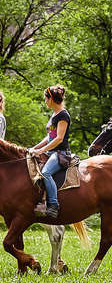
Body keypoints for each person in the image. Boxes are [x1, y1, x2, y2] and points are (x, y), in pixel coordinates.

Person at [29, 85, 71, 219]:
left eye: (46, 99)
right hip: (50, 152)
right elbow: (49, 137)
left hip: (60, 153)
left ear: (51, 98)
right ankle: (40, 201)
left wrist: (41, 150)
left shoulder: (63, 115)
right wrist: (34, 148)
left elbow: (58, 138)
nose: (45, 101)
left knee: (45, 173)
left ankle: (53, 205)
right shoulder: (54, 115)